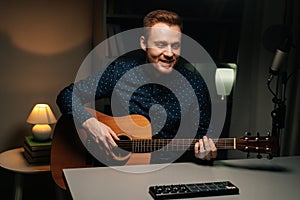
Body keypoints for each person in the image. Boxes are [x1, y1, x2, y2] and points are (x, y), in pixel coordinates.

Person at [56, 10, 217, 165]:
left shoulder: (194, 84)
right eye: (161, 44)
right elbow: (67, 95)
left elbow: (204, 134)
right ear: (143, 43)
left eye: (175, 45)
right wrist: (90, 124)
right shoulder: (120, 72)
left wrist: (206, 151)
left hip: (169, 171)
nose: (169, 53)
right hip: (114, 168)